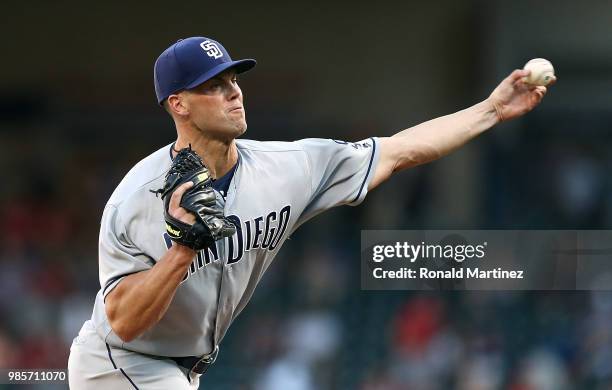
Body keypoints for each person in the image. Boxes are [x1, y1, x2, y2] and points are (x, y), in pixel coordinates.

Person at [67, 36, 554, 389]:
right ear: (179, 104)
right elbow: (124, 324)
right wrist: (180, 252)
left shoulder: (288, 167)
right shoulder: (137, 198)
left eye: (234, 79)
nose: (234, 91)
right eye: (214, 85)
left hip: (185, 368)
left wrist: (490, 110)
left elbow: (397, 151)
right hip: (120, 365)